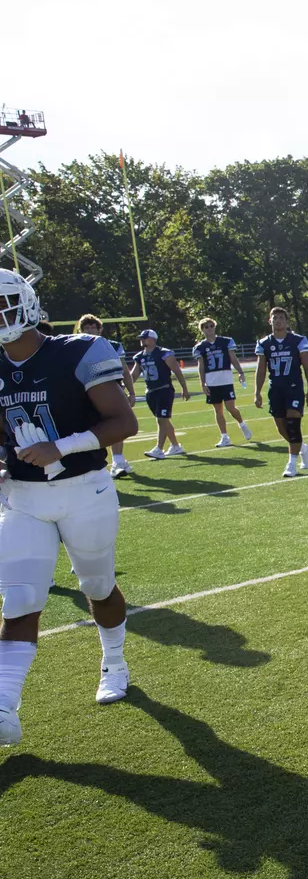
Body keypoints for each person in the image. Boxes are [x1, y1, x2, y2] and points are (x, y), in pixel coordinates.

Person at [0, 271, 141, 747]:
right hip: (23, 497)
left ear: (25, 303)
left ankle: (115, 662)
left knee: (97, 586)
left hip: (84, 490)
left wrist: (60, 447)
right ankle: (4, 706)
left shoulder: (79, 351)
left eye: (2, 304)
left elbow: (123, 421)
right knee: (20, 599)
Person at [253, 307, 308, 478]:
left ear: (287, 321)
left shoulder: (298, 340)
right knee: (282, 428)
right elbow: (261, 370)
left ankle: (291, 463)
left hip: (293, 387)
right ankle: (304, 449)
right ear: (270, 321)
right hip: (275, 388)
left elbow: (307, 367)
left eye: (281, 317)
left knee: (293, 424)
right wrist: (257, 392)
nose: (278, 321)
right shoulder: (264, 343)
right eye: (275, 318)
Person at [75, 316, 134, 478]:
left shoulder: (112, 345)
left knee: (117, 423)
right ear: (81, 330)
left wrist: (131, 392)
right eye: (86, 328)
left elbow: (124, 370)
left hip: (111, 390)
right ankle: (94, 463)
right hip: (85, 392)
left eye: (92, 327)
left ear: (99, 329)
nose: (90, 330)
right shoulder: (74, 347)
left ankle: (118, 461)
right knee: (90, 427)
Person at [130, 329, 191, 459]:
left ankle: (159, 449)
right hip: (150, 391)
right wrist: (125, 387)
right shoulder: (139, 357)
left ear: (153, 339)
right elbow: (134, 375)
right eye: (141, 338)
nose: (142, 340)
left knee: (161, 419)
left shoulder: (164, 354)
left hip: (164, 389)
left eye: (144, 338)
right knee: (164, 420)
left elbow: (177, 371)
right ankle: (176, 446)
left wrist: (184, 388)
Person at [191, 319, 250, 447]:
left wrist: (240, 372)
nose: (209, 328)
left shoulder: (226, 341)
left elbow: (233, 358)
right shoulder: (200, 347)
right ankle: (224, 436)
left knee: (230, 408)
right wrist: (203, 383)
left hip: (226, 379)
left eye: (211, 325)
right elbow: (201, 366)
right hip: (211, 381)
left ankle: (242, 424)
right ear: (202, 330)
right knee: (218, 411)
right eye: (206, 327)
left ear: (215, 327)